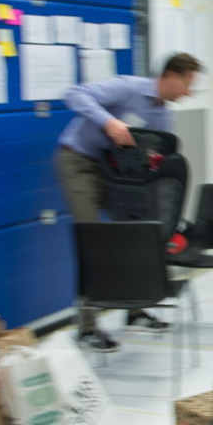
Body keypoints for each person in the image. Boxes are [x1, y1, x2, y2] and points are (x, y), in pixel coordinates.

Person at [55, 52, 200, 352]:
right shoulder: (128, 87)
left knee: (133, 235)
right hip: (81, 163)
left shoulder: (164, 116)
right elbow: (75, 94)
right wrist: (109, 122)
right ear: (170, 77)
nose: (189, 92)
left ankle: (135, 311)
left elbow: (155, 155)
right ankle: (87, 328)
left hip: (118, 173)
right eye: (187, 84)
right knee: (92, 240)